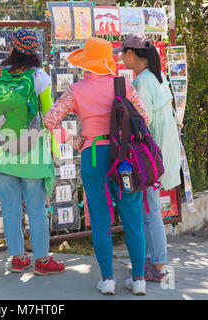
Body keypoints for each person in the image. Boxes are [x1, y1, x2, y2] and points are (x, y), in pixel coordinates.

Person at [44, 37, 150, 295]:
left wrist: (72, 139)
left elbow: (50, 120)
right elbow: (144, 118)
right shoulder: (123, 84)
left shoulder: (77, 90)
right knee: (133, 218)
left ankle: (108, 280)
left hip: (92, 155)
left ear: (86, 64)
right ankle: (138, 280)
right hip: (123, 157)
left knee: (101, 220)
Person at [0, 30, 66, 276]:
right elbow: (49, 116)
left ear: (12, 48)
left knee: (9, 207)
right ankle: (42, 260)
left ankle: (18, 259)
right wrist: (53, 149)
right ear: (34, 51)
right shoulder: (39, 77)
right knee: (36, 207)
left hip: (1, 149)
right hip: (32, 150)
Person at [114, 33, 182, 281]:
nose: (121, 57)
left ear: (130, 54)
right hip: (163, 149)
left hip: (151, 154)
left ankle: (158, 264)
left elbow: (143, 121)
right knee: (150, 208)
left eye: (122, 53)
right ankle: (154, 261)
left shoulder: (141, 82)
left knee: (150, 209)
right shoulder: (157, 77)